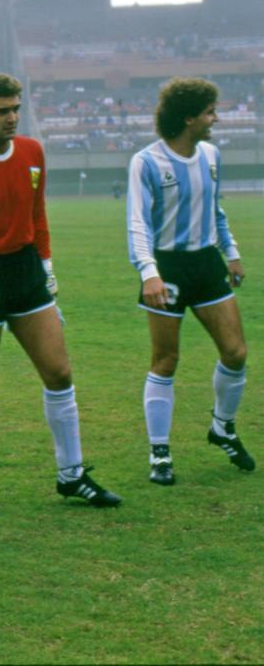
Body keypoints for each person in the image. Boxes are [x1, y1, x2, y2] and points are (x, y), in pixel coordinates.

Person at [0, 73, 121, 515]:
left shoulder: (34, 152)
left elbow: (39, 214)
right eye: (2, 111)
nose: (12, 118)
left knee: (59, 373)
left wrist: (48, 269)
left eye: (16, 108)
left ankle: (72, 475)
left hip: (26, 272)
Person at [127, 77, 253, 485]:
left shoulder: (212, 155)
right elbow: (137, 224)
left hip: (205, 263)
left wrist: (230, 253)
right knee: (166, 360)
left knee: (235, 353)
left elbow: (215, 210)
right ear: (188, 118)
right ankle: (159, 453)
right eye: (209, 112)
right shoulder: (146, 162)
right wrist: (149, 273)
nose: (215, 119)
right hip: (167, 267)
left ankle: (222, 427)